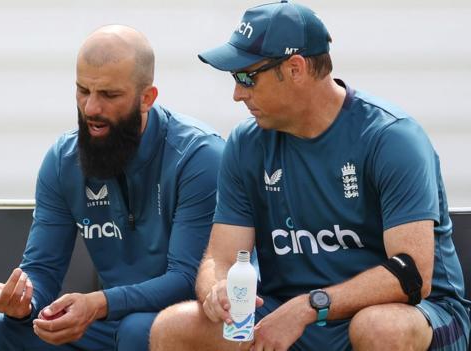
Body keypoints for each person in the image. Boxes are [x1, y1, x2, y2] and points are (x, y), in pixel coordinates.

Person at [149, 1, 470, 350]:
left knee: (379, 328)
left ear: (295, 69)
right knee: (173, 327)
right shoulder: (245, 143)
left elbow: (411, 273)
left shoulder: (391, 137)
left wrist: (309, 306)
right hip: (289, 315)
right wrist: (218, 288)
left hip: (410, 314)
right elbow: (219, 257)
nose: (237, 93)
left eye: (246, 77)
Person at [0, 25, 225, 351]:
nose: (90, 109)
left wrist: (99, 303)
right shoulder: (63, 160)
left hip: (180, 322)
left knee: (136, 329)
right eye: (83, 91)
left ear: (147, 98)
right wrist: (24, 301)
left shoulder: (199, 156)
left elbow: (186, 280)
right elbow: (42, 269)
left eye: (109, 95)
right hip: (107, 322)